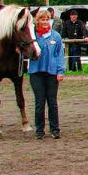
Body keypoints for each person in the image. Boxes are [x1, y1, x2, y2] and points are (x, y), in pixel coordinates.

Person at [27, 9, 65, 139]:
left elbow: (59, 55)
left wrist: (60, 71)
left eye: (46, 19)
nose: (44, 22)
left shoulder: (55, 36)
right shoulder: (33, 37)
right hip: (36, 72)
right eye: (42, 19)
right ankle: (39, 130)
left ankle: (55, 129)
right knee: (39, 102)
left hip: (52, 73)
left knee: (52, 102)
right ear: (37, 20)